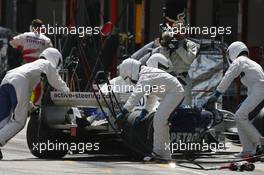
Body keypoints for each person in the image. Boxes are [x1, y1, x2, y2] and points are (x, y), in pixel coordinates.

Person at [0, 48, 70, 160]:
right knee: (19, 121)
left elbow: (24, 94)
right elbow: (56, 81)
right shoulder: (47, 64)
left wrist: (31, 107)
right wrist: (67, 92)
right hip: (18, 81)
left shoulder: (32, 67)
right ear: (55, 58)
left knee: (3, 119)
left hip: (7, 79)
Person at [116, 58, 184, 161]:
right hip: (173, 92)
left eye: (129, 78)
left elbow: (136, 95)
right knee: (159, 122)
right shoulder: (146, 74)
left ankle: (160, 154)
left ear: (130, 71)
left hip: (175, 93)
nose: (132, 81)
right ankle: (162, 154)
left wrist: (124, 111)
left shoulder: (145, 76)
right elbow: (152, 95)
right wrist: (145, 112)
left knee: (159, 121)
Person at [205, 41, 264, 158]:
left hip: (259, 91)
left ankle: (259, 144)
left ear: (232, 52)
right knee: (240, 118)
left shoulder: (239, 60)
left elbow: (229, 76)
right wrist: (247, 99)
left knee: (239, 116)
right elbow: (255, 83)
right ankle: (247, 150)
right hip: (258, 92)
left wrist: (217, 94)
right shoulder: (250, 62)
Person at [9, 19, 53, 105]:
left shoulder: (25, 35)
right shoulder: (46, 39)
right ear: (41, 28)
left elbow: (12, 42)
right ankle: (36, 106)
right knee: (38, 87)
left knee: (23, 84)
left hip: (26, 63)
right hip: (38, 65)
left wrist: (20, 47)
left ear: (32, 27)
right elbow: (51, 52)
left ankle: (23, 105)